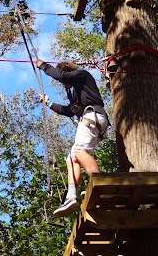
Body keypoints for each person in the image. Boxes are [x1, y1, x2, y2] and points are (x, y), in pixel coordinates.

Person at [36, 59, 109, 217]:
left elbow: (61, 75)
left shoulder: (83, 75)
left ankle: (102, 185)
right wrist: (49, 103)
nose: (63, 84)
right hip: (93, 119)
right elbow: (70, 110)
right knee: (72, 158)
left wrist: (43, 66)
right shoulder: (78, 92)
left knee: (79, 150)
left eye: (64, 81)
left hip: (93, 116)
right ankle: (71, 196)